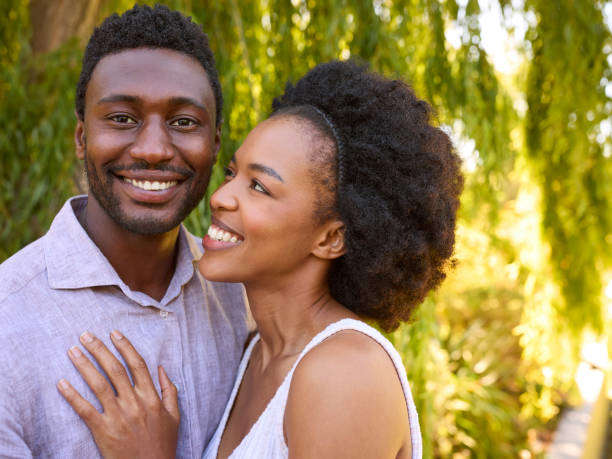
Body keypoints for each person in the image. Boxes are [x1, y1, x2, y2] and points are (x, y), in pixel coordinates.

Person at [58, 60, 464, 458]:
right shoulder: (256, 351)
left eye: (259, 187)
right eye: (231, 173)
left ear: (331, 238)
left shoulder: (344, 374)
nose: (220, 198)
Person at [0, 5, 250, 458]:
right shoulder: (8, 322)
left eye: (183, 122)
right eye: (121, 119)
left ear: (215, 144)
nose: (153, 150)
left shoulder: (245, 299)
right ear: (81, 138)